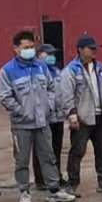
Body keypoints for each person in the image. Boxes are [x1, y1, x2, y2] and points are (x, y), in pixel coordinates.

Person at [0, 29, 72, 202]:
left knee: (48, 156)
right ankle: (24, 192)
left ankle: (54, 190)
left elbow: (51, 88)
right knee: (22, 159)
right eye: (25, 47)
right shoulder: (8, 70)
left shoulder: (41, 67)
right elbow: (5, 96)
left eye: (32, 46)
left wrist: (49, 106)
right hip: (21, 125)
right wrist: (21, 111)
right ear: (16, 49)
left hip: (42, 122)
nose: (29, 50)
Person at [64, 35, 102, 194]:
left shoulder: (100, 68)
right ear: (80, 50)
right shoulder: (71, 70)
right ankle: (72, 184)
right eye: (91, 48)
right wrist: (72, 114)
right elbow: (66, 95)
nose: (94, 51)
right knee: (78, 151)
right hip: (82, 118)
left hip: (100, 117)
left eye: (95, 48)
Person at [39, 42, 67, 180]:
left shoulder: (57, 71)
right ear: (39, 55)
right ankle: (41, 179)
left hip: (58, 116)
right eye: (48, 54)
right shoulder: (37, 71)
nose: (52, 57)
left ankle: (57, 176)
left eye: (53, 54)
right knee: (43, 150)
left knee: (56, 148)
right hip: (44, 117)